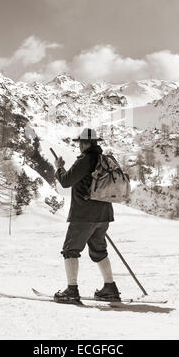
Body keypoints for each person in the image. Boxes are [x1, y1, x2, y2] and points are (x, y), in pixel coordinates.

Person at [54, 128, 120, 303]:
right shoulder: (103, 159)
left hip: (84, 214)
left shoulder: (85, 159)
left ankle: (72, 290)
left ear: (83, 143)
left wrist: (59, 168)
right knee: (99, 251)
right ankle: (109, 288)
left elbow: (67, 181)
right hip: (104, 214)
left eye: (80, 143)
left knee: (70, 250)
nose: (79, 146)